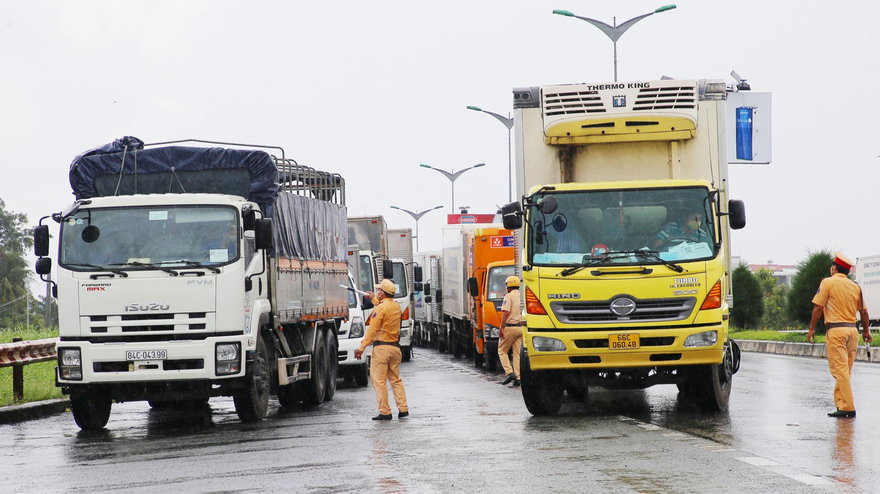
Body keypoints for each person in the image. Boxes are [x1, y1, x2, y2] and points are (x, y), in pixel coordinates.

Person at [808, 252, 872, 418]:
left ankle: (848, 407)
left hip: (836, 331)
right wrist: (866, 331)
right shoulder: (855, 286)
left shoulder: (827, 282)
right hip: (853, 331)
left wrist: (811, 329)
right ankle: (842, 404)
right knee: (846, 371)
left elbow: (818, 308)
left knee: (840, 371)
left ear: (834, 268)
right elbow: (864, 311)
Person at [355, 279, 409, 420]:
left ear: (383, 293)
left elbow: (372, 330)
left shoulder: (379, 308)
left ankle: (385, 412)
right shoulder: (396, 307)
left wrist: (361, 347)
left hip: (381, 349)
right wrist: (373, 298)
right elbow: (384, 308)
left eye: (379, 291)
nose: (378, 292)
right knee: (395, 380)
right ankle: (403, 409)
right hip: (395, 349)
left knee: (379, 381)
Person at [498, 275, 523, 386]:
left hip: (511, 327)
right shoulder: (522, 295)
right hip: (521, 327)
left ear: (508, 286)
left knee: (502, 350)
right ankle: (518, 377)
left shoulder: (508, 296)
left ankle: (509, 372)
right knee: (517, 353)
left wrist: (501, 327)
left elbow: (506, 312)